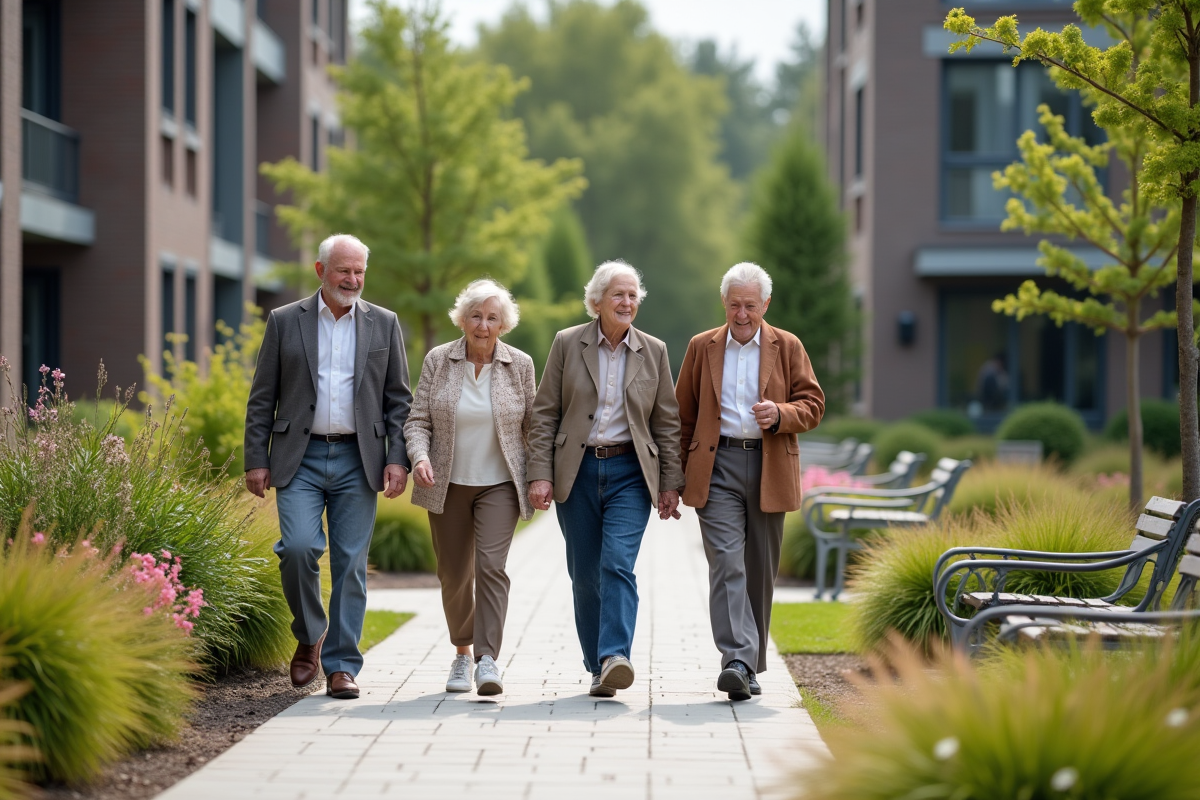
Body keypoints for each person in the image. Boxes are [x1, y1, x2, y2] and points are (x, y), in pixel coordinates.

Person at [244, 233, 412, 701]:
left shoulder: (384, 323)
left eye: (359, 271)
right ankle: (311, 632)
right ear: (321, 271)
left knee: (350, 563)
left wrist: (397, 459)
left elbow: (399, 400)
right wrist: (256, 459)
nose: (353, 280)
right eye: (344, 271)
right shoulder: (284, 321)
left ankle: (341, 666)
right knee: (297, 549)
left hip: (361, 459)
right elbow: (263, 397)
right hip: (300, 456)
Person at [526, 260, 684, 698]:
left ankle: (616, 655)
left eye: (633, 295)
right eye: (619, 294)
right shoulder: (566, 343)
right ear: (597, 301)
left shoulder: (654, 350)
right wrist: (539, 473)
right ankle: (598, 665)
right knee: (585, 575)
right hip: (576, 472)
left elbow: (666, 422)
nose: (628, 302)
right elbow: (544, 414)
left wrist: (670, 483)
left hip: (630, 473)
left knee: (617, 563)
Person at [675, 262, 824, 701]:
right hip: (716, 467)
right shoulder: (702, 347)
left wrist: (781, 414)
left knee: (759, 570)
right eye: (735, 304)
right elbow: (682, 415)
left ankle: (749, 666)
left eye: (751, 306)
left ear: (766, 304)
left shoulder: (788, 345)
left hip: (769, 465)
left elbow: (813, 404)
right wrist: (675, 477)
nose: (742, 314)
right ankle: (737, 659)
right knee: (727, 563)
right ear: (724, 302)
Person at [404, 279, 537, 696]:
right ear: (462, 319)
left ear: (504, 324)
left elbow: (535, 427)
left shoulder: (521, 365)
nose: (483, 325)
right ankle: (462, 655)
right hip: (447, 483)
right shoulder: (439, 361)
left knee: (491, 568)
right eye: (476, 316)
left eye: (492, 317)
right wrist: (420, 456)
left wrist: (540, 477)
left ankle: (487, 659)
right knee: (454, 574)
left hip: (499, 483)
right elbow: (417, 420)